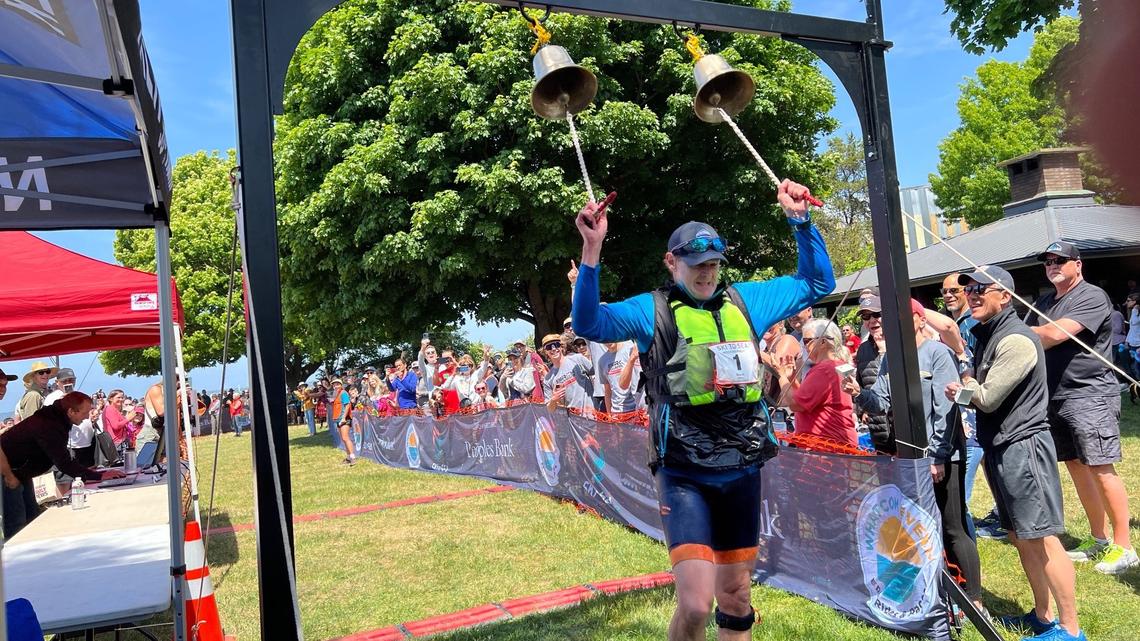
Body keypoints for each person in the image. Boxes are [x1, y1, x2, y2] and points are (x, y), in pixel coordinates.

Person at [572, 180, 831, 640]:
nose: (707, 273)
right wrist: (592, 251)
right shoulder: (650, 311)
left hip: (741, 466)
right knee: (695, 604)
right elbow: (590, 323)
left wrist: (800, 221)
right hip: (684, 471)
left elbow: (817, 283)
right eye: (696, 265)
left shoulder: (745, 301)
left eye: (713, 264)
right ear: (672, 263)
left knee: (736, 596)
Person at [944, 266, 1085, 641]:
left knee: (1043, 537)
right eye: (968, 289)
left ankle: (1071, 629)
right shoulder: (989, 334)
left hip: (1024, 447)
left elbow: (987, 398)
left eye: (980, 289)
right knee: (1020, 535)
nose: (971, 295)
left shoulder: (1017, 340)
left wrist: (963, 388)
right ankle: (1043, 615)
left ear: (1005, 296)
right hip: (1002, 447)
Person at [847, 298, 983, 611]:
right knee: (919, 525)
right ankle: (932, 591)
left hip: (942, 454)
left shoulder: (938, 353)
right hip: (908, 456)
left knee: (952, 526)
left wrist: (938, 456)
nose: (898, 327)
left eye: (905, 319)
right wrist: (858, 393)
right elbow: (880, 401)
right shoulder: (891, 358)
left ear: (920, 320)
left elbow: (946, 410)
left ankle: (973, 599)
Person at [1024, 240, 1136, 573]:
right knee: (1076, 466)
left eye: (1060, 260)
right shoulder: (1044, 301)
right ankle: (1099, 538)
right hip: (1055, 395)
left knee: (1100, 467)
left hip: (1090, 395)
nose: (1052, 265)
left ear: (1078, 264)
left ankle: (1124, 545)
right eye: (1047, 261)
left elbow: (1053, 335)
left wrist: (1019, 333)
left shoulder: (1090, 297)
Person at [1, 392, 126, 537]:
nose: (87, 417)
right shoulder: (49, 424)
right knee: (17, 522)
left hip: (20, 472)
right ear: (71, 411)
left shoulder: (55, 419)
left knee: (31, 518)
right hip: (7, 472)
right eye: (85, 413)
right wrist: (100, 476)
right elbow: (64, 463)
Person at [777, 319, 857, 447]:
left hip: (826, 449)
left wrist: (780, 375)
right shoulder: (837, 365)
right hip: (836, 445)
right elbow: (808, 399)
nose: (804, 346)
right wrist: (792, 379)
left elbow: (795, 405)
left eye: (807, 341)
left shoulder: (824, 370)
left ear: (823, 342)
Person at [852, 296, 891, 452]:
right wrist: (860, 411)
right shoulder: (863, 349)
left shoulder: (903, 342)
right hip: (877, 429)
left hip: (903, 428)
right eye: (866, 316)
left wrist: (885, 352)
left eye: (876, 315)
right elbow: (861, 384)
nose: (872, 320)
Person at [542, 334, 595, 413]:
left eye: (556, 345)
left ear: (561, 346)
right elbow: (550, 409)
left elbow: (598, 375)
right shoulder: (548, 379)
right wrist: (554, 399)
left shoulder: (577, 359)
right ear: (545, 351)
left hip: (593, 414)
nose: (553, 349)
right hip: (572, 420)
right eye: (549, 347)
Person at [597, 341, 638, 414]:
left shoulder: (630, 349)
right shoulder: (602, 361)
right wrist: (609, 414)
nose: (608, 341)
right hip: (616, 411)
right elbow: (607, 390)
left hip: (635, 408)